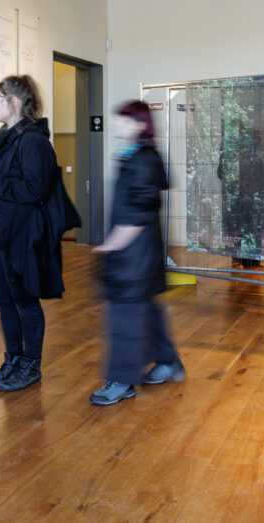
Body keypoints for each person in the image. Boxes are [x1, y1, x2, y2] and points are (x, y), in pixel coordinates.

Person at [0, 75, 61, 393]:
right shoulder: (7, 138)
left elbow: (36, 189)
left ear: (15, 102)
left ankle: (31, 365)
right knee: (4, 299)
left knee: (24, 300)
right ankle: (13, 360)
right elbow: (1, 182)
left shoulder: (33, 141)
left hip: (21, 235)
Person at [89, 100, 184, 406]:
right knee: (146, 311)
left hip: (133, 256)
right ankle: (169, 362)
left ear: (141, 125)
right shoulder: (136, 154)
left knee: (124, 319)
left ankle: (122, 381)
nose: (115, 123)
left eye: (123, 120)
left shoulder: (142, 159)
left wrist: (112, 244)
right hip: (140, 255)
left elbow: (140, 211)